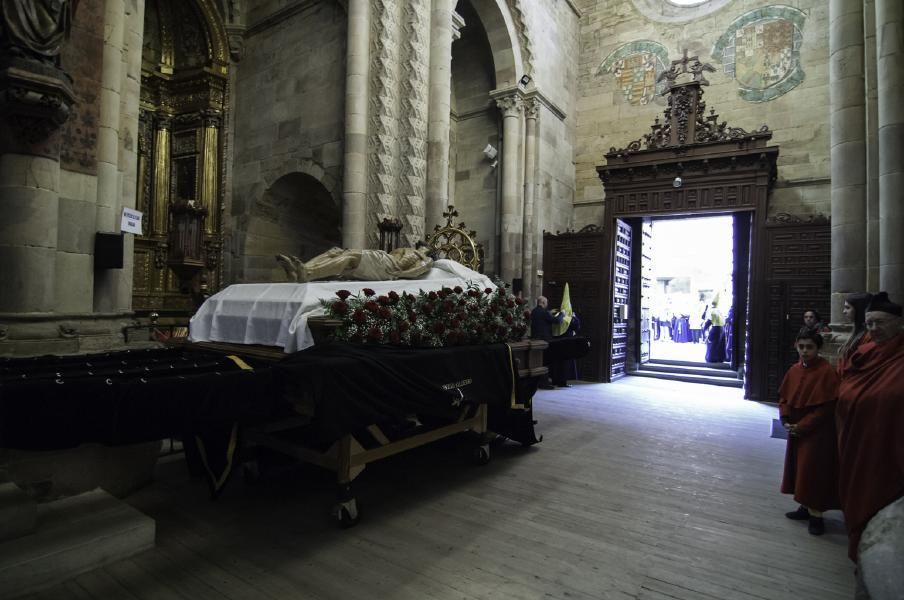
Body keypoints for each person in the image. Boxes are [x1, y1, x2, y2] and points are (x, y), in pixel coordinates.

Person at [836, 292, 904, 596]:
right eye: (869, 323)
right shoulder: (867, 352)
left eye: (879, 323)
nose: (873, 329)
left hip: (885, 448)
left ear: (899, 324)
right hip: (857, 440)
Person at [778, 330, 840, 536]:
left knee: (813, 472)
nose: (805, 351)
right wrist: (785, 419)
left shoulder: (826, 372)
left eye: (809, 347)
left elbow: (826, 407)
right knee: (799, 469)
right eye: (801, 347)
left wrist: (802, 426)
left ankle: (817, 517)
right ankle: (804, 507)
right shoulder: (794, 370)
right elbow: (785, 397)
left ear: (818, 348)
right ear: (796, 346)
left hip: (817, 432)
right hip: (796, 429)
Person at [276, 245, 433, 282]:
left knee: (351, 257)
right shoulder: (407, 248)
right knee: (339, 251)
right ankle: (301, 272)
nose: (423, 246)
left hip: (389, 268)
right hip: (383, 259)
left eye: (426, 246)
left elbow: (417, 271)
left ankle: (307, 273)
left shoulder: (427, 260)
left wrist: (400, 274)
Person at [836, 292, 873, 378]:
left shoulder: (869, 336)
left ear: (859, 309)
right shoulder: (856, 332)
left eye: (847, 308)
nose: (844, 311)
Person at [531, 296, 564, 390]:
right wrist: (562, 313)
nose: (547, 304)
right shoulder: (544, 312)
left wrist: (550, 313)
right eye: (546, 303)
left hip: (535, 339)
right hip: (544, 340)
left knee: (538, 361)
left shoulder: (534, 311)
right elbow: (557, 321)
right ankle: (544, 383)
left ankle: (538, 381)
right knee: (545, 361)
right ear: (543, 302)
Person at [704, 297, 726, 363]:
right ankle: (720, 358)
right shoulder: (719, 311)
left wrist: (704, 329)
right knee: (720, 344)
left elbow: (709, 322)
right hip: (722, 329)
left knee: (712, 344)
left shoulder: (711, 311)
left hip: (715, 329)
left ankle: (711, 358)